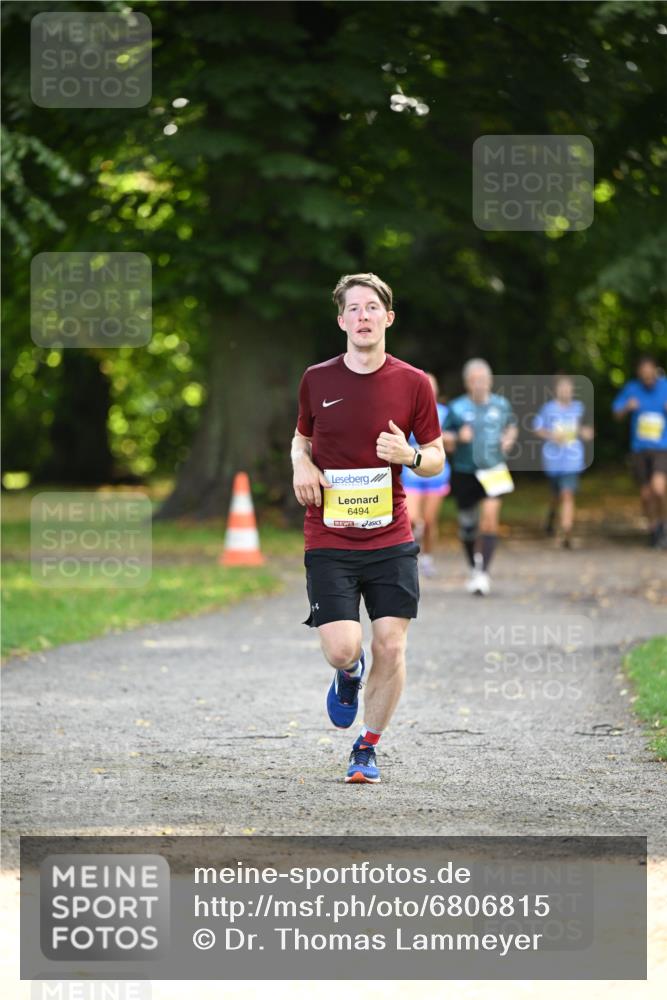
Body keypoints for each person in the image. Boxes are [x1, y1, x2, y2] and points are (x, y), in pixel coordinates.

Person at [291, 273, 445, 784]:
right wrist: (301, 464)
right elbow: (300, 439)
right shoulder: (317, 379)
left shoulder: (414, 382)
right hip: (330, 536)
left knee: (392, 646)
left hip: (390, 536)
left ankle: (367, 747)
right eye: (353, 308)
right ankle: (349, 673)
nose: (363, 316)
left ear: (388, 318)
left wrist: (410, 454)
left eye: (372, 307)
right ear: (341, 321)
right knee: (342, 648)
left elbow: (436, 458)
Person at [442, 359, 518, 595]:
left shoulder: (501, 405)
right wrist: (457, 438)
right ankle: (474, 567)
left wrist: (508, 439)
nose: (479, 385)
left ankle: (483, 573)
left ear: (490, 381)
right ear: (467, 383)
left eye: (483, 380)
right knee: (467, 526)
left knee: (489, 520)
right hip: (465, 471)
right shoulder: (457, 407)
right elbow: (441, 437)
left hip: (494, 469)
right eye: (474, 380)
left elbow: (512, 426)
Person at [532, 374, 594, 548]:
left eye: (568, 387)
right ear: (556, 390)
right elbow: (537, 428)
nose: (565, 391)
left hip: (572, 460)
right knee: (556, 495)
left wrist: (586, 433)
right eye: (562, 387)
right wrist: (552, 436)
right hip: (553, 460)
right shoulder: (548, 409)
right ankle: (552, 516)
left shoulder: (579, 408)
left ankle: (566, 532)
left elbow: (588, 430)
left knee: (567, 493)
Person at [613, 355, 667, 548]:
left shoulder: (665, 386)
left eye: (650, 373)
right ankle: (653, 529)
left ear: (655, 371)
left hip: (661, 448)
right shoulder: (632, 389)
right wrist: (627, 407)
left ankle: (663, 524)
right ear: (639, 374)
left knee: (659, 489)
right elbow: (616, 413)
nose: (647, 377)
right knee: (646, 495)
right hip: (639, 450)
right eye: (644, 374)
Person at [401, 373, 450, 577]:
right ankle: (411, 555)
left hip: (437, 473)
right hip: (410, 471)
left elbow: (455, 440)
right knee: (412, 519)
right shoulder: (406, 410)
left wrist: (449, 439)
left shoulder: (446, 413)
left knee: (430, 521)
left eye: (432, 386)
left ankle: (427, 558)